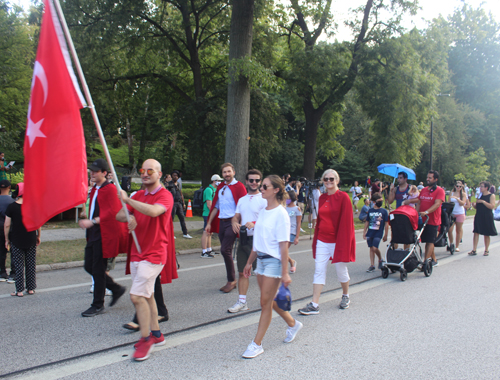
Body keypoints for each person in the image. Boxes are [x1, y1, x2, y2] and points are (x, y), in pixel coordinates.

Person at [116, 159, 178, 361]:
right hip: (137, 252)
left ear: (159, 174)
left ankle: (145, 339)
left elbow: (154, 211)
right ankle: (157, 334)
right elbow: (119, 216)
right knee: (148, 295)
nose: (145, 173)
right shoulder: (139, 195)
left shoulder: (165, 195)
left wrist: (129, 202)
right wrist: (129, 214)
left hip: (154, 254)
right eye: (142, 170)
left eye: (150, 170)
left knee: (136, 296)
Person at [241, 175, 302, 359]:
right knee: (270, 301)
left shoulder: (281, 213)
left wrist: (285, 272)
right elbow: (258, 242)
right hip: (261, 260)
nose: (261, 188)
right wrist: (249, 262)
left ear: (276, 190)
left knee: (264, 303)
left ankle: (256, 344)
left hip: (274, 262)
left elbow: (283, 245)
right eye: (261, 185)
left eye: (265, 186)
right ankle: (293, 324)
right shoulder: (264, 211)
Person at [298, 169, 356, 315]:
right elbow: (320, 219)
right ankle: (314, 304)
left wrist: (345, 243)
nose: (328, 181)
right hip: (322, 240)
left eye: (331, 179)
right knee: (319, 270)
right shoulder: (322, 198)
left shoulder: (343, 197)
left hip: (338, 241)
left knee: (341, 270)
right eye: (326, 179)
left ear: (337, 180)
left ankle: (345, 295)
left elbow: (347, 223)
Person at [79, 159, 128, 317]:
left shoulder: (110, 189)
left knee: (98, 269)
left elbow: (113, 213)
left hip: (104, 234)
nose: (92, 173)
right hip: (94, 233)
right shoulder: (95, 189)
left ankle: (97, 304)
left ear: (104, 173)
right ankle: (116, 288)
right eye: (91, 171)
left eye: (95, 171)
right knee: (89, 267)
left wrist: (92, 221)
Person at [228, 169, 267, 313]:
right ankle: (242, 302)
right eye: (251, 180)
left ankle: (267, 300)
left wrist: (255, 223)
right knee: (242, 272)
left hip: (259, 240)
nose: (254, 183)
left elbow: (268, 219)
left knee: (262, 273)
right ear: (246, 182)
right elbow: (236, 216)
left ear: (260, 182)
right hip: (244, 239)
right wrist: (234, 222)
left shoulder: (264, 199)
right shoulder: (242, 199)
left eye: (257, 180)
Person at [206, 163, 247, 293]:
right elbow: (215, 206)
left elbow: (244, 206)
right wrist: (209, 223)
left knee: (225, 250)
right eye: (224, 172)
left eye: (229, 171)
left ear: (233, 172)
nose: (227, 174)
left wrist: (240, 221)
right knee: (226, 251)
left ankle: (232, 280)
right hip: (222, 222)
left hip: (233, 223)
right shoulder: (221, 187)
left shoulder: (239, 187)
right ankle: (233, 276)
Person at [4, 183, 41, 297]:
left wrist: (6, 239)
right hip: (30, 237)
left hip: (16, 238)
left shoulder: (11, 206)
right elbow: (38, 223)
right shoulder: (33, 206)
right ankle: (31, 288)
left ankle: (19, 290)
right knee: (31, 263)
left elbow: (7, 225)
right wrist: (38, 236)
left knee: (18, 264)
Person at [417, 170, 445, 266]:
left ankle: (425, 262)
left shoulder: (440, 191)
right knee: (427, 241)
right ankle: (434, 260)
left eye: (430, 178)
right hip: (423, 220)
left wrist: (426, 212)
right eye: (427, 177)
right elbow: (419, 202)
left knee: (429, 242)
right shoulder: (424, 190)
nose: (427, 179)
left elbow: (437, 204)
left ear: (435, 179)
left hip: (433, 221)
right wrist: (416, 213)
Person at [469, 181, 497, 256]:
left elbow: (492, 206)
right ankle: (474, 249)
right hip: (479, 215)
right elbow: (477, 206)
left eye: (482, 186)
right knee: (476, 232)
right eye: (480, 186)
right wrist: (474, 205)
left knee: (486, 233)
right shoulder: (479, 195)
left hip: (487, 215)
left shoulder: (491, 195)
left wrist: (483, 202)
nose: (480, 188)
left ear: (486, 188)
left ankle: (486, 250)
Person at [363, 193, 388, 272]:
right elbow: (367, 221)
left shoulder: (384, 211)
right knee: (371, 248)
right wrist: (364, 231)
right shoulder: (370, 210)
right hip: (370, 232)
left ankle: (380, 258)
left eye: (381, 201)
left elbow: (386, 223)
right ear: (374, 202)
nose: (381, 202)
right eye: (379, 201)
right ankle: (372, 265)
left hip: (378, 232)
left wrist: (386, 234)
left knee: (375, 248)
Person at [201, 174, 222, 258]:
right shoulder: (209, 190)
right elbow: (209, 204)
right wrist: (214, 214)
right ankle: (204, 251)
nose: (219, 182)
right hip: (207, 214)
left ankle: (209, 249)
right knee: (206, 232)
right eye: (218, 181)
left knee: (210, 232)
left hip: (211, 214)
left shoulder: (215, 189)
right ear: (214, 181)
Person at [167, 170, 192, 239]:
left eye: (177, 176)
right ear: (172, 176)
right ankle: (170, 234)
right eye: (174, 175)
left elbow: (181, 194)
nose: (175, 177)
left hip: (179, 203)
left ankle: (185, 233)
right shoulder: (169, 184)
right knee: (171, 219)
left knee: (182, 218)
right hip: (172, 203)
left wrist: (183, 203)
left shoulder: (178, 184)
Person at [0, 180, 14, 282]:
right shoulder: (13, 201)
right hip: (11, 229)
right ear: (9, 187)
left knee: (1, 251)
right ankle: (13, 273)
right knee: (14, 251)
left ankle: (2, 272)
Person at [448, 180, 468, 252]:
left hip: (460, 213)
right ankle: (451, 244)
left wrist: (457, 199)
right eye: (457, 186)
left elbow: (462, 203)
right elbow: (448, 202)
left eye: (460, 186)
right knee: (450, 230)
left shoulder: (463, 194)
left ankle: (457, 246)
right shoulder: (452, 193)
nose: (458, 187)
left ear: (462, 187)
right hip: (452, 213)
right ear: (455, 186)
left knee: (458, 230)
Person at [286, 190, 301, 273]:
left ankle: (288, 265)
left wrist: (297, 237)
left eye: (287, 197)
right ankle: (292, 262)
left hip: (291, 232)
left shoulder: (297, 209)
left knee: (282, 250)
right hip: (283, 232)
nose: (285, 199)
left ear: (291, 198)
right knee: (281, 251)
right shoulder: (284, 207)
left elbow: (299, 223)